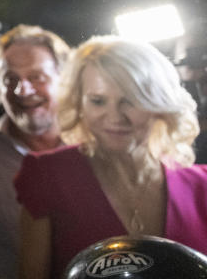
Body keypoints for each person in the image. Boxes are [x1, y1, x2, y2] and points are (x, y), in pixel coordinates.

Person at [14, 36, 207, 279]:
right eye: (98, 101)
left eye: (129, 101)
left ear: (158, 102)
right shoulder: (46, 174)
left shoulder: (202, 186)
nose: (114, 116)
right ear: (79, 103)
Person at [0, 24, 69, 279]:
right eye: (11, 80)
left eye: (37, 77)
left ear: (64, 78)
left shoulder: (94, 145)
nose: (23, 91)